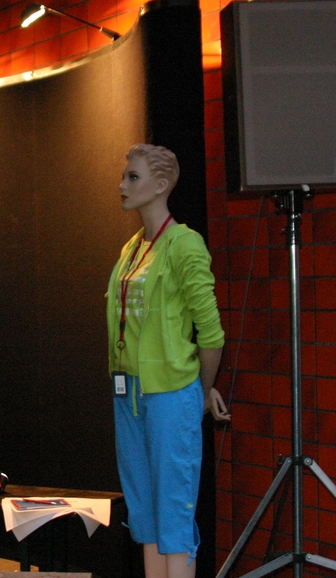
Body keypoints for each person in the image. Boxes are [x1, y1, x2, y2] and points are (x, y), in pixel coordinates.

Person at [106, 144, 230, 578]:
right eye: (125, 176)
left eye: (133, 177)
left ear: (161, 185)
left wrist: (201, 391)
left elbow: (211, 333)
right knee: (144, 510)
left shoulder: (184, 244)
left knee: (173, 509)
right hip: (128, 393)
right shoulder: (132, 247)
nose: (122, 185)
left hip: (170, 395)